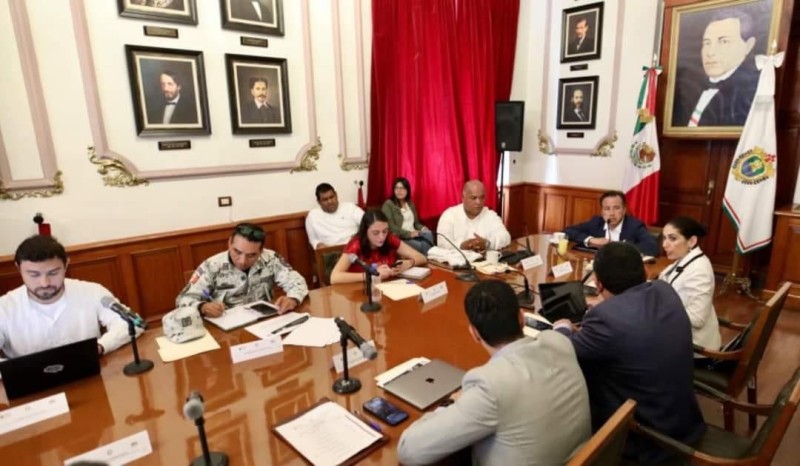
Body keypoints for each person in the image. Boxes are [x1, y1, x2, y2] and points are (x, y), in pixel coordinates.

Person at [397, 280, 591, 465]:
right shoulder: (559, 342)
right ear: (522, 318)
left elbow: (408, 450)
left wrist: (452, 402)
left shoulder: (490, 386)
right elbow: (559, 332)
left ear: (474, 333)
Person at [553, 242, 706, 464]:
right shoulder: (665, 290)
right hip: (686, 422)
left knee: (566, 380)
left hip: (647, 441)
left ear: (598, 283)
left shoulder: (606, 319)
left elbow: (564, 351)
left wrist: (563, 328)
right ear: (644, 271)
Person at [0, 235, 137, 358]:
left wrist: (101, 346)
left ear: (66, 265)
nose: (45, 283)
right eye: (34, 275)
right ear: (18, 268)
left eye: (53, 273)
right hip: (27, 378)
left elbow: (133, 323)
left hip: (90, 372)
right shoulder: (4, 307)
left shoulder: (92, 291)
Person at [176, 223, 308, 317]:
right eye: (237, 252)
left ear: (261, 251)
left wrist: (293, 299)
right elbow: (183, 299)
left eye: (251, 255)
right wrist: (202, 307)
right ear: (229, 243)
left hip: (263, 321)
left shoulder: (271, 258)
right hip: (225, 327)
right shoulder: (211, 266)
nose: (242, 261)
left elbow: (297, 282)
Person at [672, 11, 759, 127]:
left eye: (723, 41)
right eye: (707, 43)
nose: (710, 52)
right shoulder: (688, 88)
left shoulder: (752, 93)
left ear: (748, 46)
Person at [659, 216, 721, 360]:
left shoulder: (699, 270)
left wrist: (659, 310)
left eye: (672, 239)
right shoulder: (685, 259)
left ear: (692, 241)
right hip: (678, 337)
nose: (665, 244)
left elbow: (697, 319)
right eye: (664, 238)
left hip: (694, 350)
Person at [330, 209, 426, 284]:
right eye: (376, 233)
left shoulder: (389, 239)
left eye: (385, 231)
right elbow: (334, 277)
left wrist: (409, 263)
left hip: (388, 286)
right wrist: (371, 276)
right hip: (362, 290)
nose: (382, 237)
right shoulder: (355, 244)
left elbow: (422, 258)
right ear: (365, 231)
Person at [564, 190, 659, 256]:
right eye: (607, 209)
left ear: (624, 210)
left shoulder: (635, 226)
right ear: (602, 211)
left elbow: (652, 247)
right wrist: (591, 240)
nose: (611, 213)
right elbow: (567, 231)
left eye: (616, 208)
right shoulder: (596, 222)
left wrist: (619, 246)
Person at [437, 180, 511, 252]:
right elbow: (442, 243)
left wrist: (487, 243)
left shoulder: (490, 215)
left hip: (484, 259)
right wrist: (461, 246)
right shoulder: (449, 215)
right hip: (456, 260)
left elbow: (506, 237)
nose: (478, 202)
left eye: (482, 197)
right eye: (473, 198)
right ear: (463, 197)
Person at [381, 177, 434, 255]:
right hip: (400, 237)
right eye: (397, 188)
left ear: (407, 190)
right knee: (421, 245)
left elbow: (415, 223)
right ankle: (428, 258)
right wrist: (410, 234)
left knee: (429, 233)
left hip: (414, 234)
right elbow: (391, 228)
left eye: (402, 188)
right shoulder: (388, 204)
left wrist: (423, 228)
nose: (399, 191)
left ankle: (427, 257)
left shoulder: (410, 203)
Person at [305, 183, 364, 249]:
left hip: (354, 247)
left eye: (331, 197)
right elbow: (313, 240)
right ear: (319, 202)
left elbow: (368, 223)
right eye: (325, 199)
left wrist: (357, 236)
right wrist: (319, 245)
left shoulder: (350, 208)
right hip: (331, 251)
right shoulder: (312, 216)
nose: (330, 202)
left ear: (336, 195)